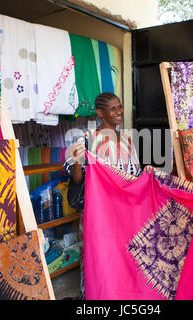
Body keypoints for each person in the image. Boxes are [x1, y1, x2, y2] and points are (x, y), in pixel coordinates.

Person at [64, 92, 141, 299]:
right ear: (100, 112)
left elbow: (134, 176)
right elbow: (77, 180)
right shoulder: (87, 139)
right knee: (96, 259)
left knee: (122, 259)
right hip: (97, 214)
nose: (119, 112)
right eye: (114, 109)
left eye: (120, 107)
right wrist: (79, 161)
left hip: (123, 212)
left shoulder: (126, 141)